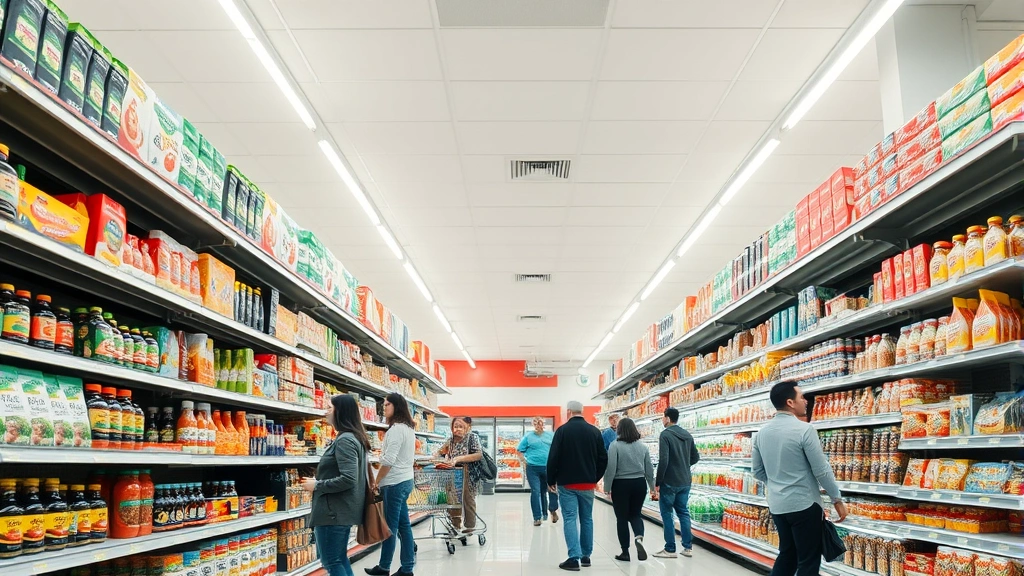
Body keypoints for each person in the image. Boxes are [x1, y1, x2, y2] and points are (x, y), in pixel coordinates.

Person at [752, 381, 848, 576]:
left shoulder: (761, 434)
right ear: (790, 402)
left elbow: (757, 471)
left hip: (778, 505)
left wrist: (777, 486)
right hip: (804, 505)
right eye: (802, 397)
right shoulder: (805, 430)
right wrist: (836, 499)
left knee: (787, 554)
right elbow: (821, 470)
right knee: (808, 560)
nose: (805, 401)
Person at [301, 394, 370, 576]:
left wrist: (317, 485)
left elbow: (348, 478)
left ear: (341, 412)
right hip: (339, 511)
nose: (326, 411)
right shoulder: (352, 437)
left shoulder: (345, 440)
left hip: (333, 513)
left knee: (332, 561)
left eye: (330, 408)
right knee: (339, 559)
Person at [547, 400, 607, 572]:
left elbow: (553, 457)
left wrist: (551, 480)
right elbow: (603, 458)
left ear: (568, 412)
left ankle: (574, 558)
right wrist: (594, 478)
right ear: (582, 411)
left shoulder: (562, 431)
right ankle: (586, 556)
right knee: (587, 519)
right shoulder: (594, 431)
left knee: (570, 518)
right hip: (588, 484)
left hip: (567, 483)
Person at [364, 394, 417, 576]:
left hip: (394, 483)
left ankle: (384, 567)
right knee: (403, 527)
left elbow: (389, 460)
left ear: (397, 407)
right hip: (405, 480)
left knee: (390, 528)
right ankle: (407, 568)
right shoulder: (409, 429)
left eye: (388, 404)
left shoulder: (395, 430)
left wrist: (376, 481)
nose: (384, 407)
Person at [603, 417, 655, 563]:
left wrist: (607, 487)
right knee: (636, 515)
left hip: (621, 485)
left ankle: (625, 552)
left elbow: (611, 468)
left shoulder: (615, 445)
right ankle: (638, 537)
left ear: (619, 430)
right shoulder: (643, 446)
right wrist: (652, 487)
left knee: (621, 518)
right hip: (639, 483)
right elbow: (649, 469)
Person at [653, 407, 700, 559]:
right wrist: (684, 465)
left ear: (667, 418)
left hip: (670, 481)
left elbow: (664, 460)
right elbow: (695, 457)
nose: (662, 420)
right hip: (685, 480)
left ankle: (670, 549)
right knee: (683, 513)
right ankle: (688, 547)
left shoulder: (665, 435)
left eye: (663, 417)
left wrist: (658, 481)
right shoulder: (687, 434)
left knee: (667, 514)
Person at [436, 416, 483, 535]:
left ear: (467, 427)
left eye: (461, 426)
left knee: (468, 499)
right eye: (455, 426)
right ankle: (455, 524)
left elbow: (478, 455)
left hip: (468, 471)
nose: (458, 429)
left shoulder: (472, 437)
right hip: (452, 472)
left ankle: (470, 526)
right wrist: (441, 457)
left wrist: (459, 458)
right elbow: (439, 452)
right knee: (453, 498)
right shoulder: (450, 440)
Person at [518, 417, 559, 526]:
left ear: (543, 424)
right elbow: (519, 450)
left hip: (549, 467)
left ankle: (553, 510)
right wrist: (523, 461)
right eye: (536, 424)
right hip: (532, 468)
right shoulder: (528, 437)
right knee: (536, 491)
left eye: (540, 423)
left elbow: (557, 449)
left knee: (552, 489)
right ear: (533, 425)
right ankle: (537, 517)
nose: (538, 426)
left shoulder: (551, 435)